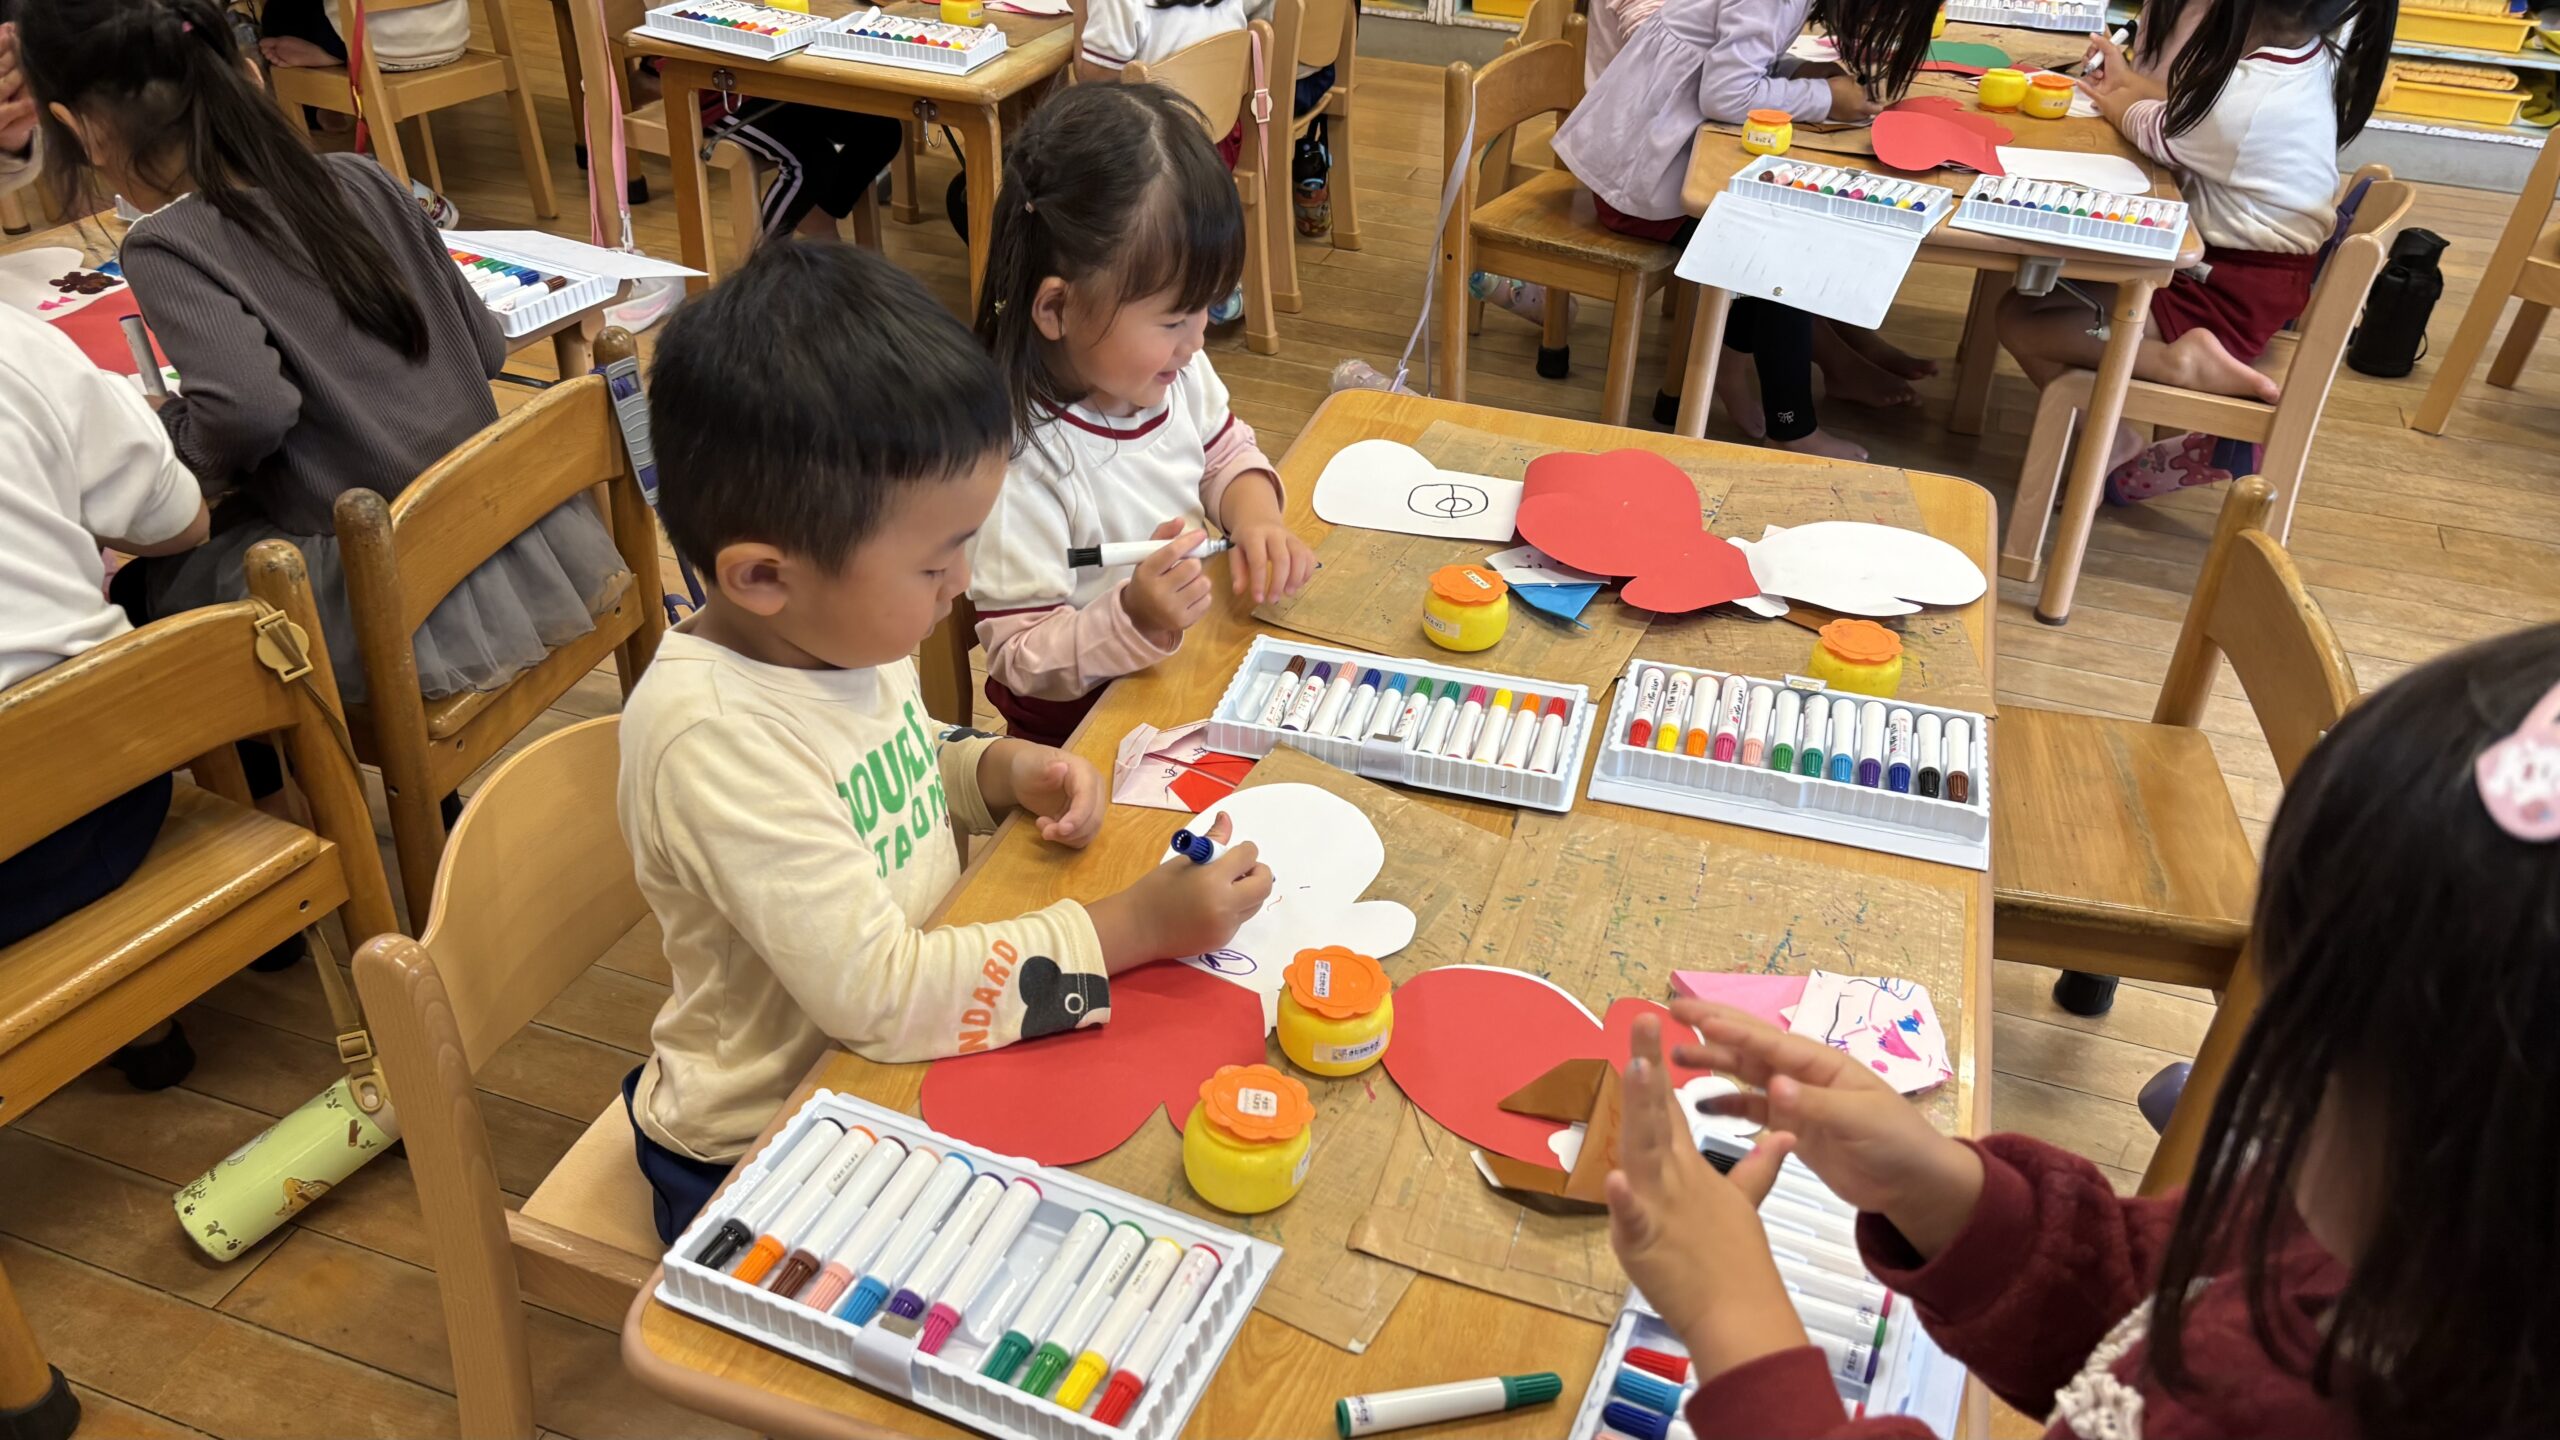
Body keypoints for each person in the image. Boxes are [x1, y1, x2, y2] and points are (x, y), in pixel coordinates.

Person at [1604, 621, 2560, 1439]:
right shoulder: (2365, 1228)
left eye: (2328, 1066)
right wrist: (1940, 1192)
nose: (2284, 1096)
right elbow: (2142, 1304)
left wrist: (1732, 1320)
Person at [624, 240, 1274, 1241]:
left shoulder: (824, 631)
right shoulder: (714, 740)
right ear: (762, 576)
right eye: (935, 567)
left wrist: (992, 769)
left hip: (898, 1054)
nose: (963, 585)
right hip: (766, 1143)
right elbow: (880, 995)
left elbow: (892, 750)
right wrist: (1136, 928)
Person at [16, 0, 628, 729]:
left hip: (381, 576)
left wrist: (174, 434)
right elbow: (486, 346)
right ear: (249, 76)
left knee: (147, 593)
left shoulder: (167, 243)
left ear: (82, 130)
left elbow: (251, 408)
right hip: (513, 530)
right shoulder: (365, 178)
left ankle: (287, 786)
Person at [967, 83, 1314, 749]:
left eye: (1208, 308)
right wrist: (1131, 615)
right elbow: (1019, 656)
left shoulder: (1172, 373)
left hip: (1186, 679)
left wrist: (1256, 519)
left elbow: (1224, 453)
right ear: (1058, 308)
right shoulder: (1017, 462)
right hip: (1081, 737)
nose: (1198, 340)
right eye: (1174, 319)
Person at [2001, 0, 2391, 502]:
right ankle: (2124, 418)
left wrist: (2114, 95)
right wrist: (2124, 82)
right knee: (2043, 295)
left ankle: (2169, 375)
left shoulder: (2239, 102)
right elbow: (2180, 111)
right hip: (2259, 275)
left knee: (2020, 320)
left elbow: (2153, 127)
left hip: (2227, 287)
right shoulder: (2307, 59)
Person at [1552, 0, 1942, 458]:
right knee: (1780, 253)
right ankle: (1790, 426)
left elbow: (1728, 58)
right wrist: (1826, 98)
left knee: (1782, 230)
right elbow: (1726, 95)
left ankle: (1732, 362)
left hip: (1654, 159)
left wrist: (1799, 73)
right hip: (1638, 184)